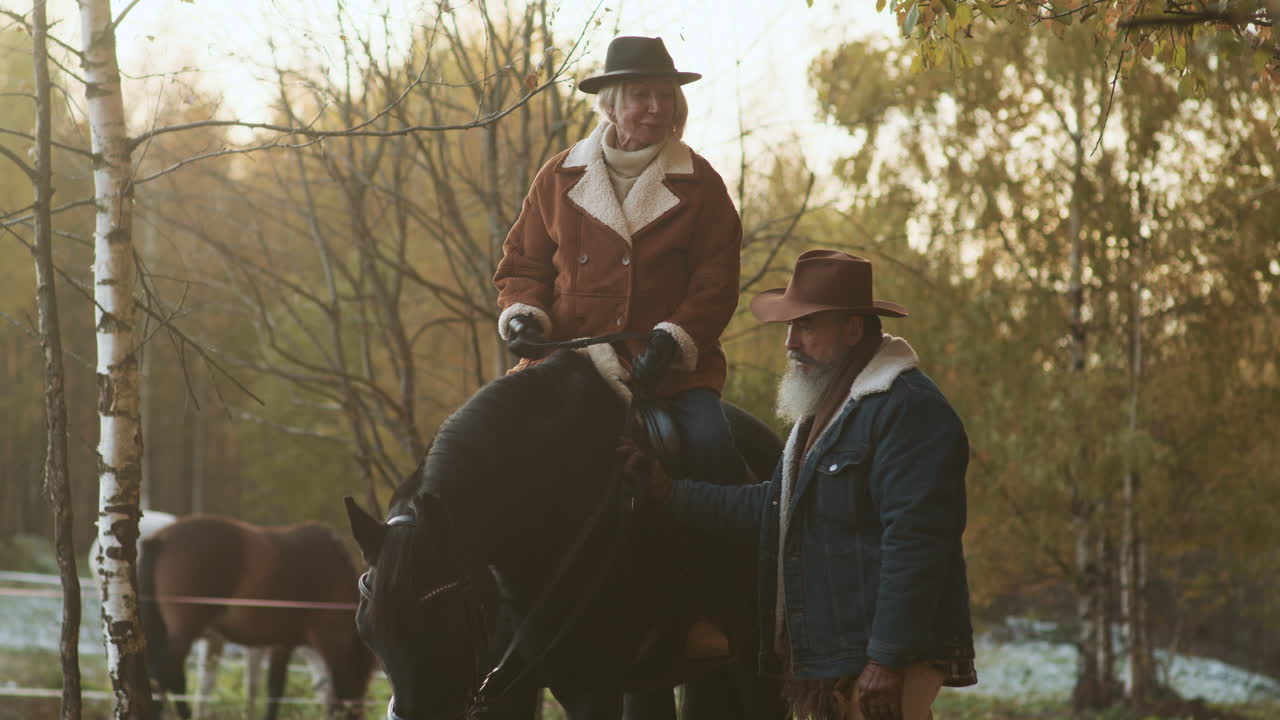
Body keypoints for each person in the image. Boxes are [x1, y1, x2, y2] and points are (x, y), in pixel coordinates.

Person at [623, 250, 978, 720]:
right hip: (839, 656)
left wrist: (886, 659)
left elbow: (917, 545)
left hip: (880, 660)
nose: (790, 342)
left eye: (807, 326)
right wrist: (670, 493)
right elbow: (773, 507)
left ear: (853, 330)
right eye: (789, 328)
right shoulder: (831, 409)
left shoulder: (907, 410)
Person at [493, 34, 746, 488]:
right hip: (569, 359)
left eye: (665, 95)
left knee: (713, 448)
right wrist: (523, 318)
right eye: (641, 95)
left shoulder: (702, 184)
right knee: (482, 440)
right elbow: (524, 265)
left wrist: (674, 340)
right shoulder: (558, 175)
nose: (656, 106)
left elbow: (717, 283)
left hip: (669, 373)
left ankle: (731, 552)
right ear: (610, 105)